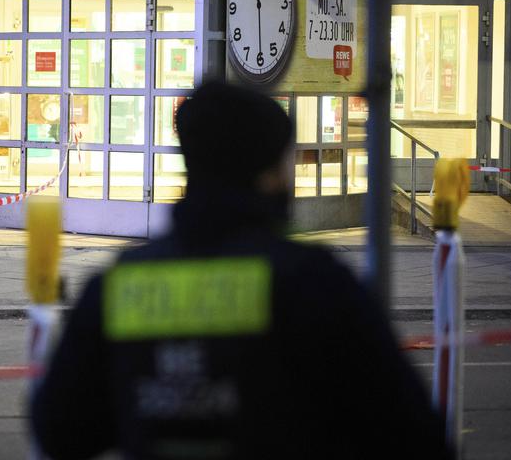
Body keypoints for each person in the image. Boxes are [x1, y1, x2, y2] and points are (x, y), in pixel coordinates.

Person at [30, 81, 451, 460]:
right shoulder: (314, 284)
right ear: (269, 173)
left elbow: (59, 430)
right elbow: (413, 435)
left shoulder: (119, 284)